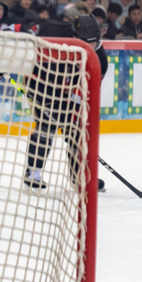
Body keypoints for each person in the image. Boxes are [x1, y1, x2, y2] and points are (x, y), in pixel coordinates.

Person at [24, 12, 109, 193]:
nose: (91, 47)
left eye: (94, 42)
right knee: (46, 128)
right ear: (75, 36)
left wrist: (75, 111)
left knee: (77, 132)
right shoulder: (53, 30)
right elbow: (21, 33)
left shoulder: (100, 58)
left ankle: (78, 176)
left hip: (69, 91)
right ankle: (33, 172)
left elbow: (88, 91)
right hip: (40, 84)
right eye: (86, 41)